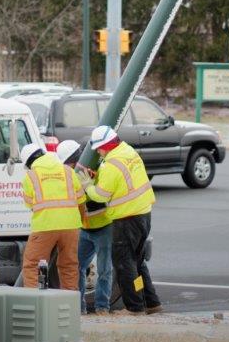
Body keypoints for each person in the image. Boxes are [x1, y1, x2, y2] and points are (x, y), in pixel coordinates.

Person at [79, 125, 163, 315]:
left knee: (124, 264)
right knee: (138, 261)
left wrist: (88, 186)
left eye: (98, 148)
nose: (98, 152)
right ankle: (151, 302)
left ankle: (134, 307)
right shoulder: (129, 152)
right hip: (144, 213)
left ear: (105, 146)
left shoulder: (110, 165)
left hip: (127, 218)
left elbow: (101, 195)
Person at [19, 142, 85, 291]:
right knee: (69, 266)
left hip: (45, 226)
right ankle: (69, 306)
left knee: (32, 265)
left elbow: (31, 205)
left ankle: (34, 305)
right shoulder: (67, 171)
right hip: (71, 226)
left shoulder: (30, 176)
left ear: (29, 163)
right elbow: (81, 200)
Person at [58, 140, 113, 315]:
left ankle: (102, 307)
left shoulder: (96, 171)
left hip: (103, 227)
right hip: (85, 229)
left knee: (104, 271)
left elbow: (101, 196)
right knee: (77, 267)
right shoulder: (70, 176)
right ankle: (79, 308)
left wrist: (88, 186)